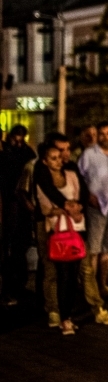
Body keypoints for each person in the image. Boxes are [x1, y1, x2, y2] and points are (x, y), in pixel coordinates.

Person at [34, 133, 108, 328]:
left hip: (74, 226)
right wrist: (67, 207)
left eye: (68, 149)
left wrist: (77, 207)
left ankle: (97, 308)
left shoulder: (70, 169)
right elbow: (46, 193)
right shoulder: (40, 168)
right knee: (52, 270)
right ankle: (54, 310)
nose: (65, 154)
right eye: (61, 150)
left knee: (86, 268)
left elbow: (83, 190)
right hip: (48, 225)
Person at [77, 121, 108, 301]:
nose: (105, 137)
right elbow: (79, 178)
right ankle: (89, 289)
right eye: (102, 133)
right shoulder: (89, 154)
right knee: (94, 250)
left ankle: (103, 284)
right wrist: (88, 197)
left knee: (107, 249)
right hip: (96, 207)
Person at [0, 125, 37, 306]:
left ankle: (17, 285)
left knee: (19, 247)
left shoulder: (25, 153)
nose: (18, 142)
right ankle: (9, 287)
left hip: (18, 205)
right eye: (15, 138)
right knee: (9, 248)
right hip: (9, 204)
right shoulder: (6, 153)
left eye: (21, 139)